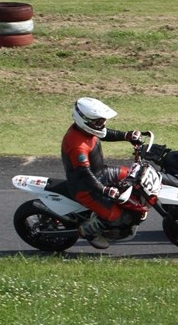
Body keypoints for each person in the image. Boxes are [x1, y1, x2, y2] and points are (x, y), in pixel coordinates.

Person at [60, 97, 147, 249]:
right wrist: (104, 190)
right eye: (99, 122)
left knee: (135, 177)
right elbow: (84, 173)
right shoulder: (77, 145)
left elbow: (104, 134)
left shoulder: (87, 130)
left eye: (103, 121)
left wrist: (126, 135)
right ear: (85, 120)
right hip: (86, 187)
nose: (103, 124)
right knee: (116, 216)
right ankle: (89, 231)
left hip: (101, 173)